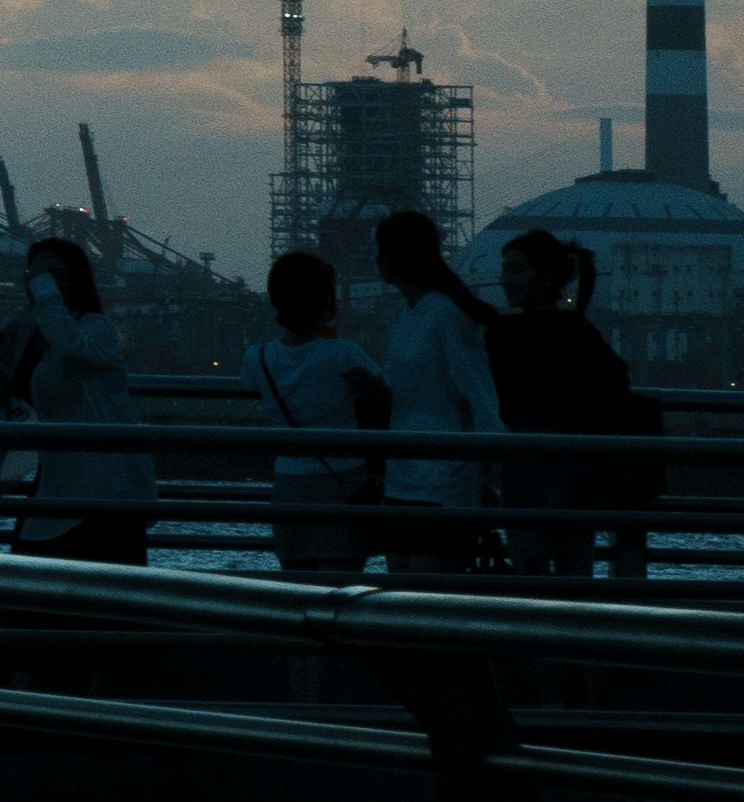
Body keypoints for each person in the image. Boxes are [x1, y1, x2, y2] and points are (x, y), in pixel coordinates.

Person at [482, 231, 655, 589]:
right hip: (580, 464)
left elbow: (486, 394)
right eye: (505, 270)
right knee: (577, 573)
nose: (504, 280)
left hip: (526, 462)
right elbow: (616, 380)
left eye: (515, 271)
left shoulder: (503, 332)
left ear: (544, 278)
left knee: (529, 571)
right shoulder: (578, 329)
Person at [359, 211, 510, 577]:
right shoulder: (404, 316)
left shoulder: (444, 315)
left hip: (445, 480)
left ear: (397, 257)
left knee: (426, 588)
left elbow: (479, 396)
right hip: (402, 476)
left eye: (381, 251)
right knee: (402, 590)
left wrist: (487, 471)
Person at [2, 234, 158, 566]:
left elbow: (72, 345)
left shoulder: (96, 327)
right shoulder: (30, 331)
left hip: (103, 488)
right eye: (38, 274)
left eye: (56, 274)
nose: (46, 283)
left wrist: (43, 292)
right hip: (58, 479)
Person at [249, 250, 387, 590]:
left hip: (287, 487)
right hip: (343, 482)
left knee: (294, 591)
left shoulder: (257, 358)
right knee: (340, 593)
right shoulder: (344, 353)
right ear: (324, 298)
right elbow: (383, 393)